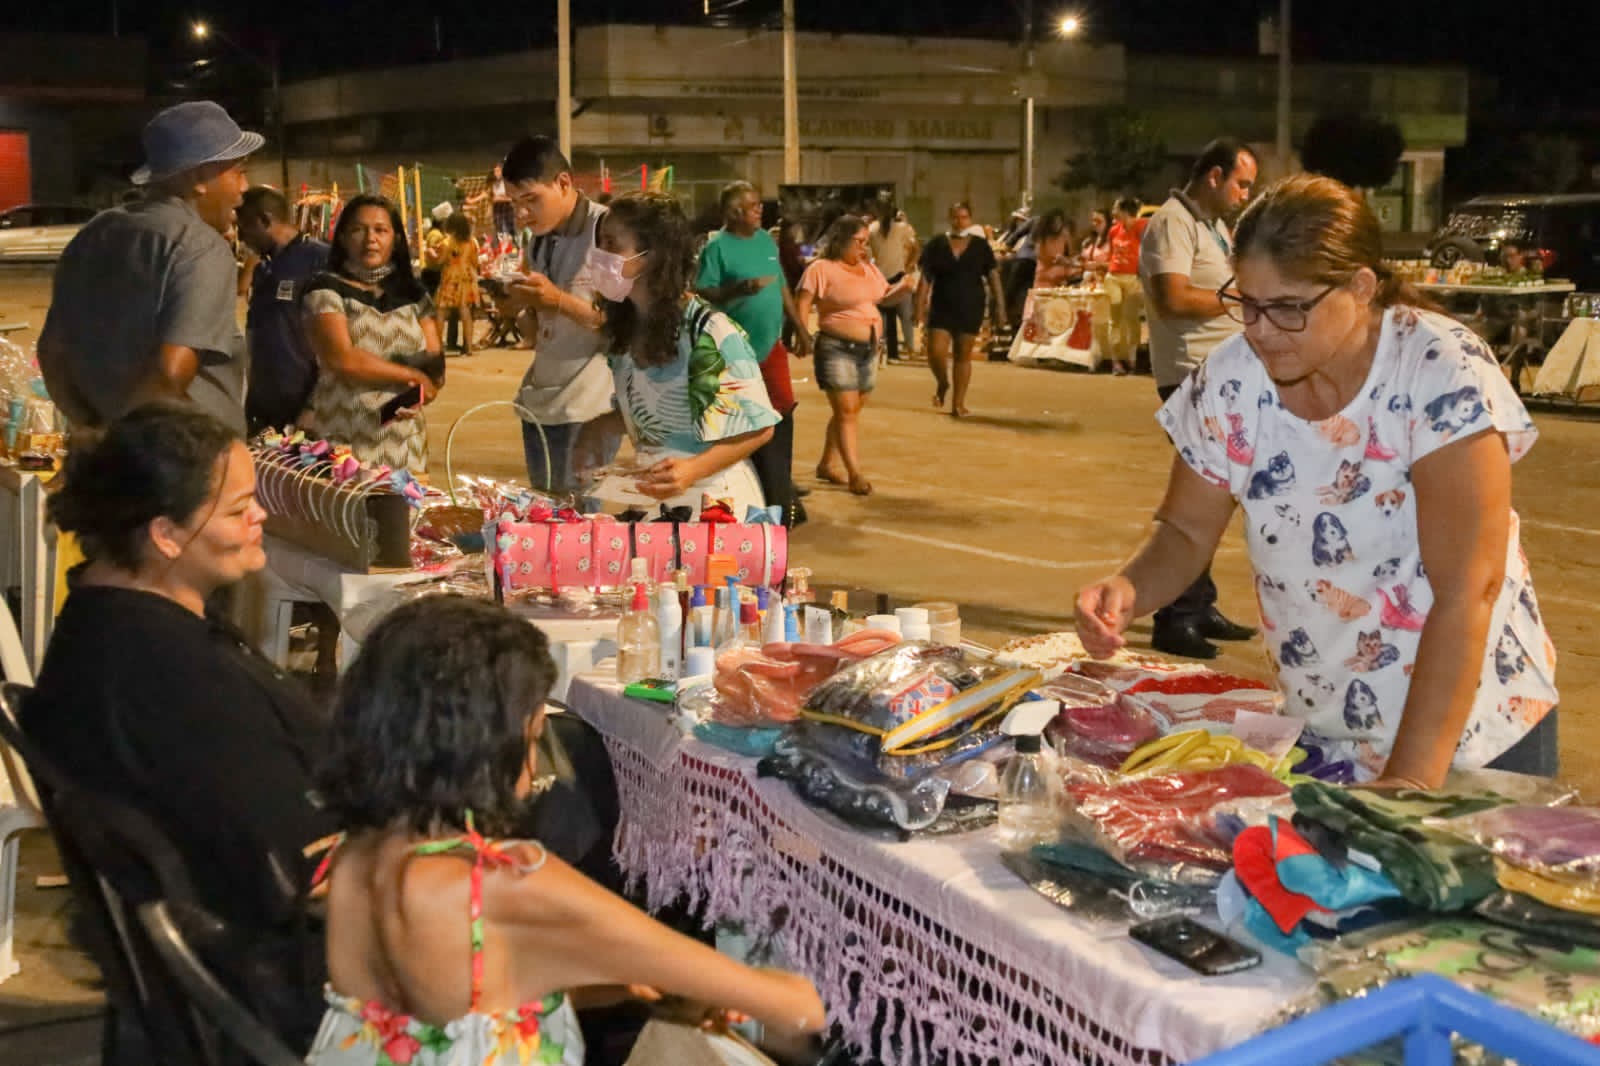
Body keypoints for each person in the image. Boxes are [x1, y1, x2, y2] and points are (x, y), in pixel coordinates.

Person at [1077, 174, 1561, 787]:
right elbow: (1184, 531)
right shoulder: (1233, 380)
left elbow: (1470, 590)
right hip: (1329, 727)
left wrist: (1409, 781)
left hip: (1470, 732)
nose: (1259, 328)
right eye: (1246, 302)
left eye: (1288, 308)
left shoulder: (1438, 371)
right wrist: (1127, 588)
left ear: (1360, 287)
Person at [305, 596, 827, 1066]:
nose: (533, 768)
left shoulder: (353, 860)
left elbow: (465, 1006)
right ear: (482, 748)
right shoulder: (508, 883)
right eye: (532, 740)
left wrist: (621, 985)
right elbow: (787, 1004)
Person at [26, 404, 334, 1009]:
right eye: (238, 509)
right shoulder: (172, 679)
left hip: (223, 948)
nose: (260, 517)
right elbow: (296, 869)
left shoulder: (102, 622)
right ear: (166, 535)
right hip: (278, 974)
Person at [39, 100, 258, 436]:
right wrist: (131, 450)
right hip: (183, 467)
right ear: (200, 177)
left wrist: (94, 430)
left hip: (112, 464)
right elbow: (169, 377)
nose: (244, 189)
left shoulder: (95, 233)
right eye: (239, 172)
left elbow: (52, 353)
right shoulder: (200, 248)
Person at [574, 192, 779, 517]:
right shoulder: (626, 332)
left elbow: (759, 427)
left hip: (715, 505)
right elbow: (657, 414)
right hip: (655, 498)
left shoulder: (708, 331)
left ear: (652, 255)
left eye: (612, 245)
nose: (600, 256)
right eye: (600, 244)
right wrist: (598, 428)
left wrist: (692, 470)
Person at [1138, 137, 1261, 659]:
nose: (1245, 194)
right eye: (1242, 183)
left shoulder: (1211, 225)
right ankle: (1175, 616)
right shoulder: (1173, 222)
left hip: (1220, 377)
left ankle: (1197, 601)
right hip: (1191, 375)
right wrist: (1237, 298)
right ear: (1214, 176)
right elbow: (1172, 299)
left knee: (1220, 490)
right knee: (1207, 495)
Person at [499, 136, 618, 494]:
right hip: (543, 397)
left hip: (590, 402)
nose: (522, 214)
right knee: (545, 510)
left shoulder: (606, 231)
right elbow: (536, 332)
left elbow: (619, 322)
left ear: (563, 183)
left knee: (580, 520)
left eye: (531, 200)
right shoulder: (539, 239)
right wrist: (519, 305)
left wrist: (556, 300)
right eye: (515, 203)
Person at [696, 181, 813, 525]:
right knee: (741, 420)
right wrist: (739, 289)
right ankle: (752, 491)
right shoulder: (716, 248)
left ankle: (780, 490)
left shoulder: (765, 241)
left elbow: (781, 286)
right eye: (753, 206)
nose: (761, 210)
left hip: (770, 345)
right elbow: (703, 292)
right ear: (734, 213)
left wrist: (801, 328)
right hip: (733, 351)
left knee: (781, 413)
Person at [302, 194, 443, 474]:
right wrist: (410, 376)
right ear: (342, 237)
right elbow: (343, 360)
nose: (370, 239)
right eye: (358, 229)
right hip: (343, 442)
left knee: (404, 516)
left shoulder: (415, 295)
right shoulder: (324, 289)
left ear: (397, 239)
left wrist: (420, 393)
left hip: (404, 445)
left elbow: (435, 368)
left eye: (381, 230)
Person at [795, 215, 916, 497]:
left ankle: (826, 463)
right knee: (847, 412)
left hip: (869, 349)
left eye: (866, 242)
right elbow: (803, 301)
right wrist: (802, 336)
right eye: (859, 242)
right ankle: (854, 472)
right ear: (841, 240)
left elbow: (882, 298)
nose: (864, 248)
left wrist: (904, 288)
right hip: (837, 347)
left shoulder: (868, 269)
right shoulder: (821, 269)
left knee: (847, 411)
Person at [236, 185, 329, 432]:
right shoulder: (264, 269)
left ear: (265, 220)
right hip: (264, 413)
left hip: (304, 416)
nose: (241, 236)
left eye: (244, 226)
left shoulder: (319, 261)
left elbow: (339, 344)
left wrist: (314, 406)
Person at [916, 202, 1008, 418]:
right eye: (956, 217)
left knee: (962, 355)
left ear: (970, 219)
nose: (960, 221)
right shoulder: (936, 244)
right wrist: (918, 307)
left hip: (971, 305)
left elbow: (993, 278)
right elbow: (925, 278)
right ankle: (942, 382)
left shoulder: (980, 246)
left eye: (964, 217)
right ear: (950, 218)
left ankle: (958, 404)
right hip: (941, 306)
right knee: (936, 352)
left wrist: (1000, 308)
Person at [1102, 196, 1148, 376]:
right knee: (1115, 318)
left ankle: (1133, 359)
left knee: (1132, 320)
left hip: (1133, 278)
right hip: (1113, 277)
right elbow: (1111, 256)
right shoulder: (1114, 231)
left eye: (1116, 208)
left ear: (1124, 210)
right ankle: (1116, 361)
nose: (1113, 212)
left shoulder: (1141, 227)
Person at [867, 208, 920, 362]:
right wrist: (910, 264)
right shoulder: (902, 228)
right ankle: (896, 352)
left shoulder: (872, 228)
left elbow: (869, 252)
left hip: (879, 275)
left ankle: (882, 352)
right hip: (897, 275)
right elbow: (916, 247)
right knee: (903, 315)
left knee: (882, 317)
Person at [435, 211, 482, 356]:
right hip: (467, 279)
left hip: (450, 278)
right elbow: (475, 262)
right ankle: (468, 347)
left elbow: (440, 260)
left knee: (441, 312)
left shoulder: (446, 242)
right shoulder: (472, 242)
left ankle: (437, 347)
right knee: (466, 313)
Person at [1031, 210, 1076, 288]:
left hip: (1061, 276)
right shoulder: (1042, 235)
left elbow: (1070, 255)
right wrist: (1053, 259)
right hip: (1043, 274)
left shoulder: (1065, 234)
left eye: (1059, 222)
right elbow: (1038, 254)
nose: (1057, 225)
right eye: (1054, 222)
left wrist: (1065, 261)